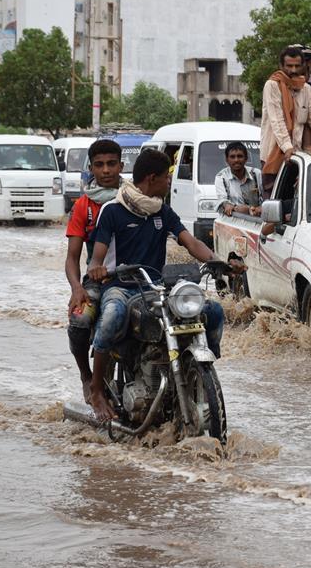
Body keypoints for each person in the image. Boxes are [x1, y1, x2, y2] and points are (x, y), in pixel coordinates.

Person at [86, 149, 242, 421]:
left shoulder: (162, 211)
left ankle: (198, 369)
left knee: (213, 311)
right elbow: (97, 256)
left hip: (155, 286)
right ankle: (97, 389)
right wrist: (96, 268)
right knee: (112, 316)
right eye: (166, 177)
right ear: (152, 178)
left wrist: (219, 262)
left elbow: (191, 243)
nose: (169, 182)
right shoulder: (113, 210)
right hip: (122, 285)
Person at [64, 139, 125, 406]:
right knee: (80, 320)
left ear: (121, 166)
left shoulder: (136, 199)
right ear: (91, 169)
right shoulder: (83, 206)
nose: (106, 170)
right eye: (99, 165)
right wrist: (77, 288)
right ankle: (86, 376)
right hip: (97, 281)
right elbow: (72, 257)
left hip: (135, 278)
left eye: (112, 164)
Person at [260, 45, 311, 200]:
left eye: (297, 66)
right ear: (281, 66)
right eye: (289, 66)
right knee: (273, 204)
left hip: (297, 157)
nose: (293, 70)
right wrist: (287, 147)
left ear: (304, 66)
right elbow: (277, 121)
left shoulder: (306, 89)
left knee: (296, 204)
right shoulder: (272, 85)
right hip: (273, 155)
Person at [215, 141, 261, 216]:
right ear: (227, 160)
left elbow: (265, 199)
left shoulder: (256, 174)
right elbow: (222, 200)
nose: (236, 160)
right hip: (232, 220)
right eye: (232, 157)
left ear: (246, 158)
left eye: (240, 156)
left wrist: (256, 209)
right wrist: (227, 205)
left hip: (255, 219)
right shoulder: (221, 177)